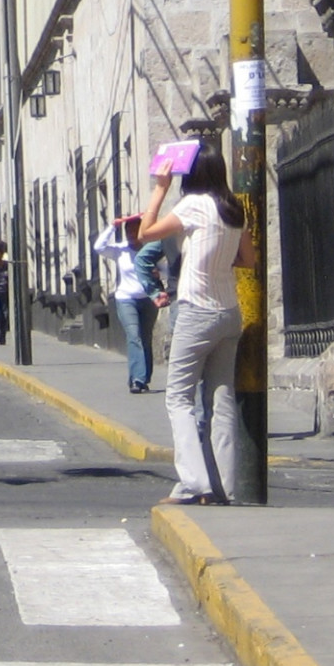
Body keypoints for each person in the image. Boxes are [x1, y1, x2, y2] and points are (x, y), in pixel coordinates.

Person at [138, 143, 255, 504]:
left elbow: (146, 233)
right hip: (228, 313)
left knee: (178, 398)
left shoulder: (191, 205)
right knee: (221, 399)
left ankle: (193, 483)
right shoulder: (233, 209)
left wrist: (160, 187)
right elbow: (248, 260)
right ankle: (226, 487)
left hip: (196, 311)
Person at [95, 213, 159, 393]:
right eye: (128, 231)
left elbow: (166, 269)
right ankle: (138, 379)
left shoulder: (151, 250)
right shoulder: (120, 250)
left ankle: (143, 377)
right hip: (125, 299)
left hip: (148, 299)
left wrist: (159, 275)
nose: (131, 234)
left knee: (146, 338)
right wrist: (112, 227)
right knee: (134, 336)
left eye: (135, 230)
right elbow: (98, 247)